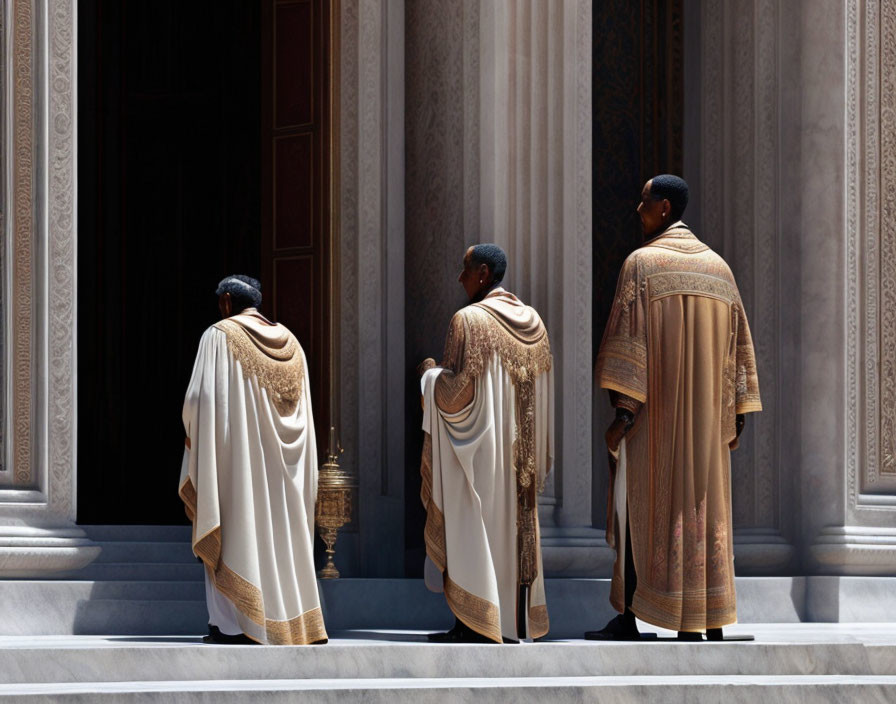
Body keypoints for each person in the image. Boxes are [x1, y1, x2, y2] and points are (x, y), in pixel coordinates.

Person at [587, 175, 761, 642]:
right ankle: (706, 620)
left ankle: (629, 617)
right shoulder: (720, 270)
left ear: (663, 208)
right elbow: (740, 353)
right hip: (705, 431)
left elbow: (629, 344)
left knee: (635, 512)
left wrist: (623, 416)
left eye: (643, 202)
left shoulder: (641, 264)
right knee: (704, 517)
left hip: (654, 425)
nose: (637, 210)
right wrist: (734, 417)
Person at [178, 275, 327, 645]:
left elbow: (200, 400)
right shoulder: (293, 344)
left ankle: (234, 624)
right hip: (286, 471)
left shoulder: (220, 335)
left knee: (236, 533)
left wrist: (201, 440)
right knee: (283, 545)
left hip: (241, 465)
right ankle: (290, 623)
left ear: (227, 301)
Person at [418, 244, 554, 644]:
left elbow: (456, 394)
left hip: (479, 455)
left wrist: (428, 376)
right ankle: (512, 622)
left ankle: (474, 622)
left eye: (464, 270)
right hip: (520, 459)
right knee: (513, 535)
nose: (459, 279)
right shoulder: (534, 324)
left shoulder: (469, 320)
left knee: (474, 528)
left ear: (481, 274)